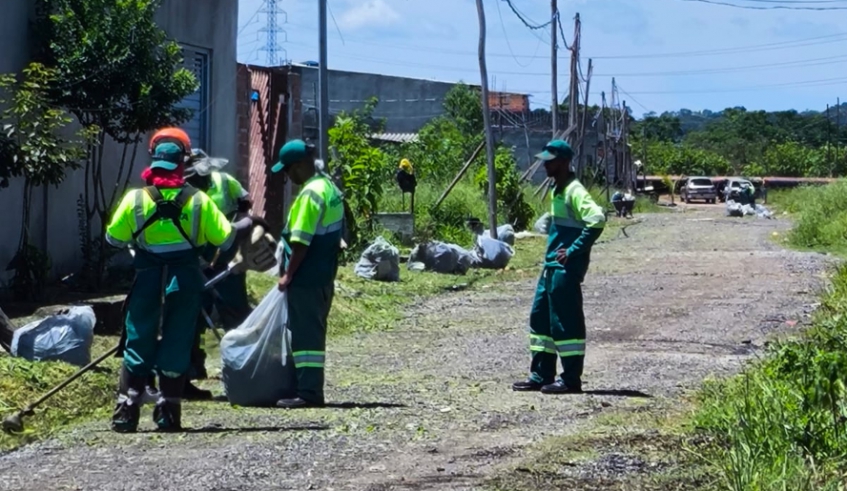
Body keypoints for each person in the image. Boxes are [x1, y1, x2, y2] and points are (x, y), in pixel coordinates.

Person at [105, 127, 258, 432]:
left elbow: (113, 239)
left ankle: (128, 409)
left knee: (139, 337)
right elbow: (226, 240)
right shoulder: (199, 201)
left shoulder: (136, 199)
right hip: (185, 280)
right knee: (178, 338)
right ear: (182, 164)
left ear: (154, 161)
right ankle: (168, 412)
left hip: (147, 279)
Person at [512, 139, 606, 394]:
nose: (545, 165)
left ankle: (571, 379)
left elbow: (597, 220)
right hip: (551, 266)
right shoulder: (558, 189)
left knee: (566, 323)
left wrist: (574, 251)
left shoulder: (574, 190)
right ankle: (541, 375)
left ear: (563, 162)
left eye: (549, 161)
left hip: (565, 269)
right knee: (540, 318)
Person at [271, 139, 345, 409]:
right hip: (323, 273)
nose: (288, 176)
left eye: (289, 169)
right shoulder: (328, 187)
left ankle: (309, 392)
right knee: (312, 332)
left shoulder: (311, 194)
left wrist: (287, 275)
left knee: (306, 338)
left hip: (307, 275)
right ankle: (307, 386)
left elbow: (301, 241)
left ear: (301, 165)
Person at [183, 150, 254, 400]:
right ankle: (193, 367)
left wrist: (240, 227)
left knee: (234, 311)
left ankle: (241, 365)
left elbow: (246, 203)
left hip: (226, 257)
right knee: (193, 316)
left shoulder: (225, 181)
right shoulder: (182, 193)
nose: (201, 179)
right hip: (196, 259)